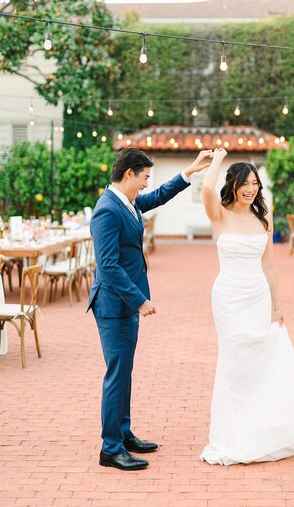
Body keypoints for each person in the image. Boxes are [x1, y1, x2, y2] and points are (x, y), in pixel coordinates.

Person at [88, 147, 211, 471]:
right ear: (129, 174)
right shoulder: (107, 210)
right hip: (114, 304)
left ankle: (123, 433)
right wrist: (139, 300)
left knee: (124, 371)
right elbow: (109, 266)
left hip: (124, 303)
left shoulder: (126, 203)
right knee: (117, 374)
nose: (146, 184)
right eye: (143, 177)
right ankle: (110, 448)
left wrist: (191, 171)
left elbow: (158, 196)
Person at [199, 148, 294, 465]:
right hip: (228, 296)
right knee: (234, 360)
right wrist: (217, 158)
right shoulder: (220, 214)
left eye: (255, 182)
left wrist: (278, 305)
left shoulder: (263, 218)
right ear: (234, 185)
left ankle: (259, 429)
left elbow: (269, 266)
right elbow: (206, 189)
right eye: (245, 183)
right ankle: (232, 433)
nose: (250, 188)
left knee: (258, 361)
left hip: (257, 295)